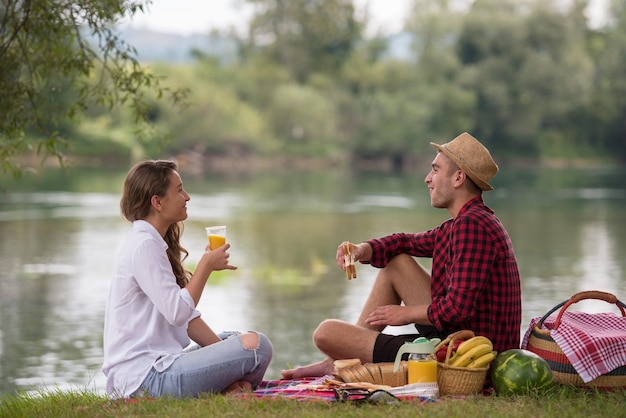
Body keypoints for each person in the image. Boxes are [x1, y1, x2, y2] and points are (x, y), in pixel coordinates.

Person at [282, 132, 521, 379]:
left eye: (435, 170)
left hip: (466, 357)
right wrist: (362, 249)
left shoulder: (473, 226)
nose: (428, 179)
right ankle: (339, 360)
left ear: (458, 177)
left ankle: (340, 358)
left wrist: (405, 314)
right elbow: (405, 242)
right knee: (397, 262)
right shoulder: (465, 223)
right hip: (456, 337)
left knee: (326, 333)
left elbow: (457, 309)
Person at [102, 160, 273, 398]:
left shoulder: (149, 241)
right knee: (258, 347)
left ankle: (228, 388)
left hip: (159, 367)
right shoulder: (144, 245)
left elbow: (187, 319)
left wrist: (225, 351)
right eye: (180, 190)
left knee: (233, 340)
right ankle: (231, 389)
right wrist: (205, 266)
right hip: (145, 380)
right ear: (157, 202)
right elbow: (177, 312)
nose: (187, 197)